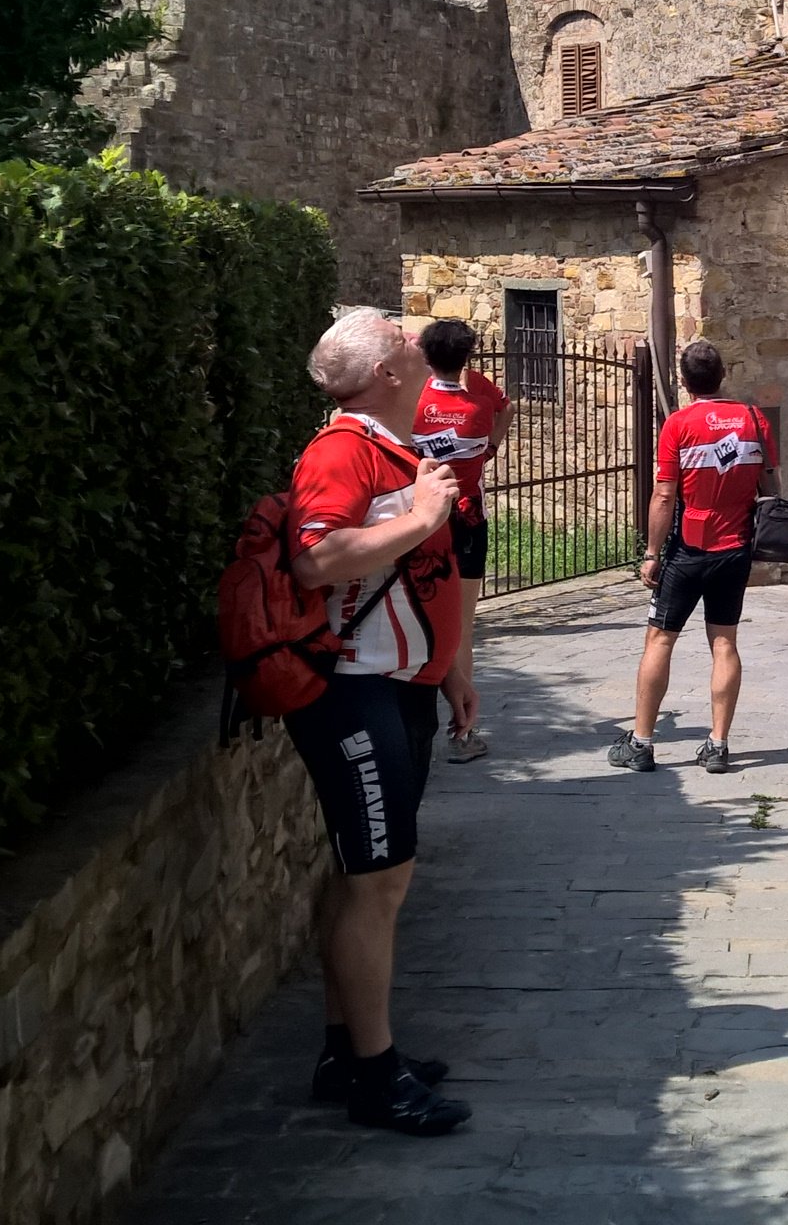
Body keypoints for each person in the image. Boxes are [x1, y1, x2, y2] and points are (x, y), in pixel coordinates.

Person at [282, 308, 478, 1136]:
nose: (415, 340)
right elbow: (315, 560)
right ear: (386, 374)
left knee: (365, 876)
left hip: (398, 686)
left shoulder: (392, 445)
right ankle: (374, 1075)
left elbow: (425, 575)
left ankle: (348, 1053)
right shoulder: (340, 452)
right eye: (400, 339)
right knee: (380, 882)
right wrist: (422, 517)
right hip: (353, 692)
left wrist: (453, 668)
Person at [613, 340, 767, 774]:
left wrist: (651, 553)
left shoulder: (679, 424)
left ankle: (641, 743)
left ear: (684, 382)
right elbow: (770, 481)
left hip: (689, 547)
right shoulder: (754, 419)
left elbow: (664, 495)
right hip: (735, 547)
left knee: (660, 639)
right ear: (723, 375)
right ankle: (718, 745)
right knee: (725, 643)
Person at [411, 318, 505, 757]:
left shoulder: (413, 401)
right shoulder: (479, 404)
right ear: (466, 357)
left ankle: (411, 722)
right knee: (462, 626)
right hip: (467, 521)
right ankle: (463, 734)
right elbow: (506, 408)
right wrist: (490, 449)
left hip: (419, 523)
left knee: (413, 617)